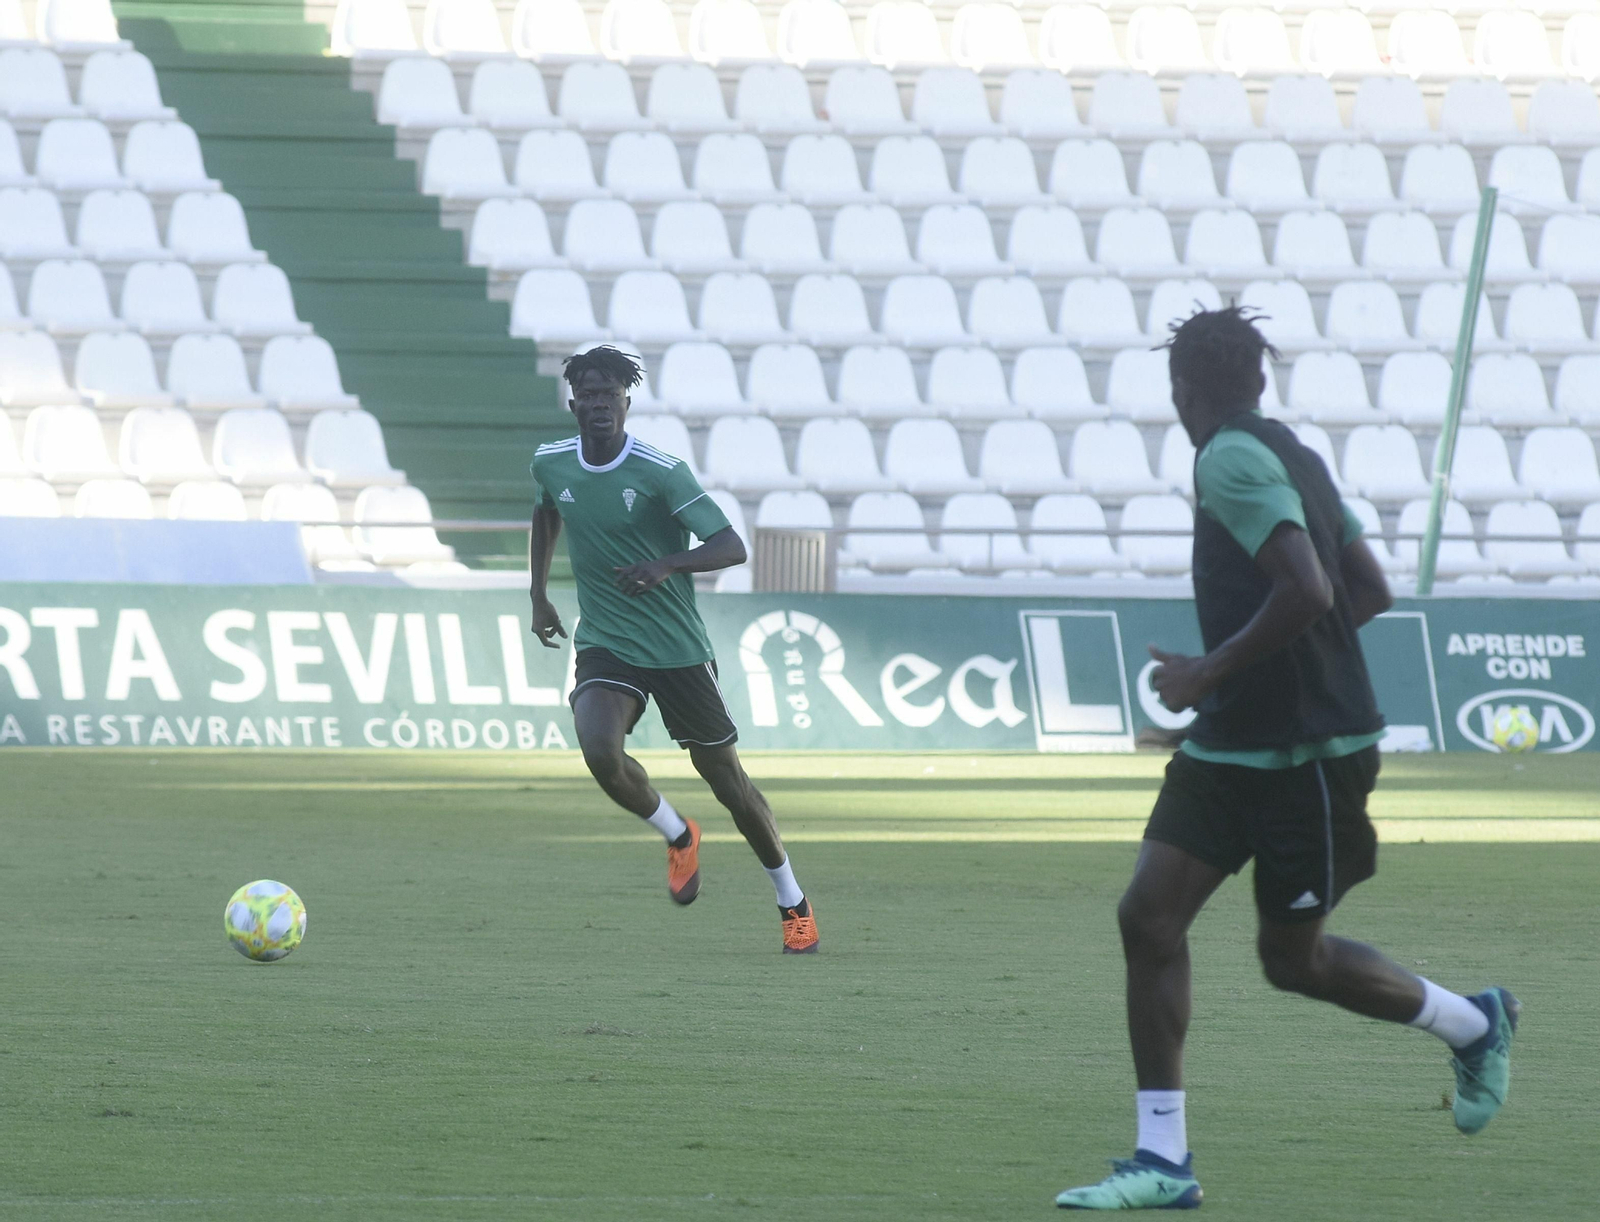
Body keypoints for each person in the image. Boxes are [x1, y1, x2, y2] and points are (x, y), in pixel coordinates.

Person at [1055, 307, 1519, 1210]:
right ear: (1259, 381)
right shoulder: (1294, 454)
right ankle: (1163, 1161)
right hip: (1238, 744)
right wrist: (1258, 680)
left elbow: (1310, 589)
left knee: (1293, 961)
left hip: (1307, 756)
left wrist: (1210, 671)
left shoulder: (1226, 458)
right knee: (1149, 919)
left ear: (1181, 392)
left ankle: (1472, 1023)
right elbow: (1367, 589)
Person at [528, 345, 819, 954]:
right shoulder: (551, 462)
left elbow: (732, 545)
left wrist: (666, 564)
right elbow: (546, 512)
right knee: (600, 752)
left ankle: (792, 901)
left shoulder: (661, 472)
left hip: (678, 649)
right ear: (574, 404)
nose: (600, 404)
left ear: (626, 403)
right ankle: (678, 833)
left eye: (611, 395)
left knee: (729, 785)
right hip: (608, 641)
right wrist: (538, 594)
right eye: (590, 395)